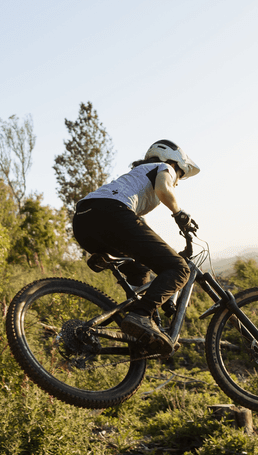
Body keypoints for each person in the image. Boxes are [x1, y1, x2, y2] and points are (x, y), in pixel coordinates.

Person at [71, 140, 199, 357]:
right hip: (112, 215)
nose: (177, 182)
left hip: (84, 222)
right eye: (180, 175)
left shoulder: (134, 178)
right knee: (179, 269)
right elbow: (164, 188)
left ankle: (140, 329)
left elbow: (139, 231)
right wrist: (180, 215)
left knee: (140, 270)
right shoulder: (164, 168)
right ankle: (140, 314)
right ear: (174, 163)